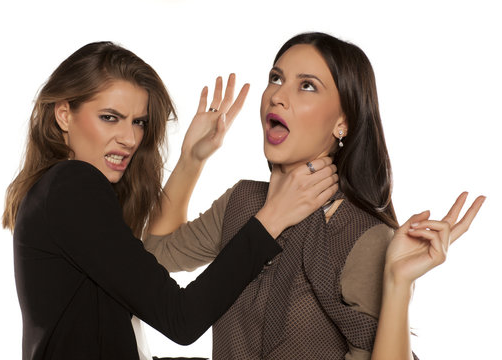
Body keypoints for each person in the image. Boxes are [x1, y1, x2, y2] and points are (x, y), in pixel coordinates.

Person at [144, 32, 485, 360]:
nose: (277, 96)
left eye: (307, 86)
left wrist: (398, 282)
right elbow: (154, 257)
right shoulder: (244, 201)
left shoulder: (360, 236)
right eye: (276, 78)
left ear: (343, 122)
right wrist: (192, 158)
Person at [2, 41, 341, 360]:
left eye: (139, 122)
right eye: (109, 117)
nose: (130, 138)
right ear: (64, 115)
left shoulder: (58, 193)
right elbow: (182, 318)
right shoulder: (72, 185)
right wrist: (273, 217)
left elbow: (152, 258)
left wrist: (191, 159)